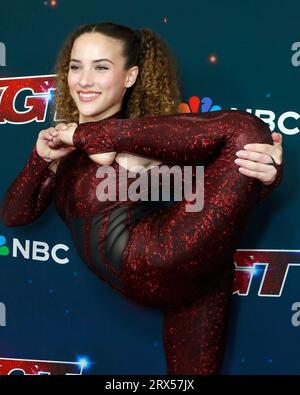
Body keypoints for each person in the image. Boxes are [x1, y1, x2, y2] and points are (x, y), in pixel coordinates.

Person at [1, 22, 283, 375]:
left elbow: (223, 179)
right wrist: (40, 158)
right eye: (76, 66)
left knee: (246, 132)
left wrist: (267, 176)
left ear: (130, 76)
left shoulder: (154, 135)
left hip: (164, 257)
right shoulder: (60, 147)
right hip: (164, 282)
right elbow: (14, 214)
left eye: (101, 67)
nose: (83, 80)